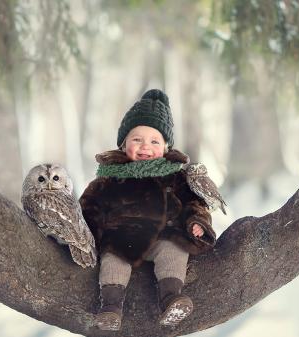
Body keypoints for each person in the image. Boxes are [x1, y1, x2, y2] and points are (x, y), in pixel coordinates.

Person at [79, 89, 216, 331]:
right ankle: (110, 307)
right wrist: (84, 232)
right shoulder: (109, 178)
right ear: (123, 145)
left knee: (174, 250)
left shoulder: (176, 177)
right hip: (122, 238)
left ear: (165, 148)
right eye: (137, 140)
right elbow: (89, 207)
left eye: (154, 141)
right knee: (113, 259)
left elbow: (195, 202)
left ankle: (171, 298)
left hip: (163, 236)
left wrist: (196, 221)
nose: (145, 147)